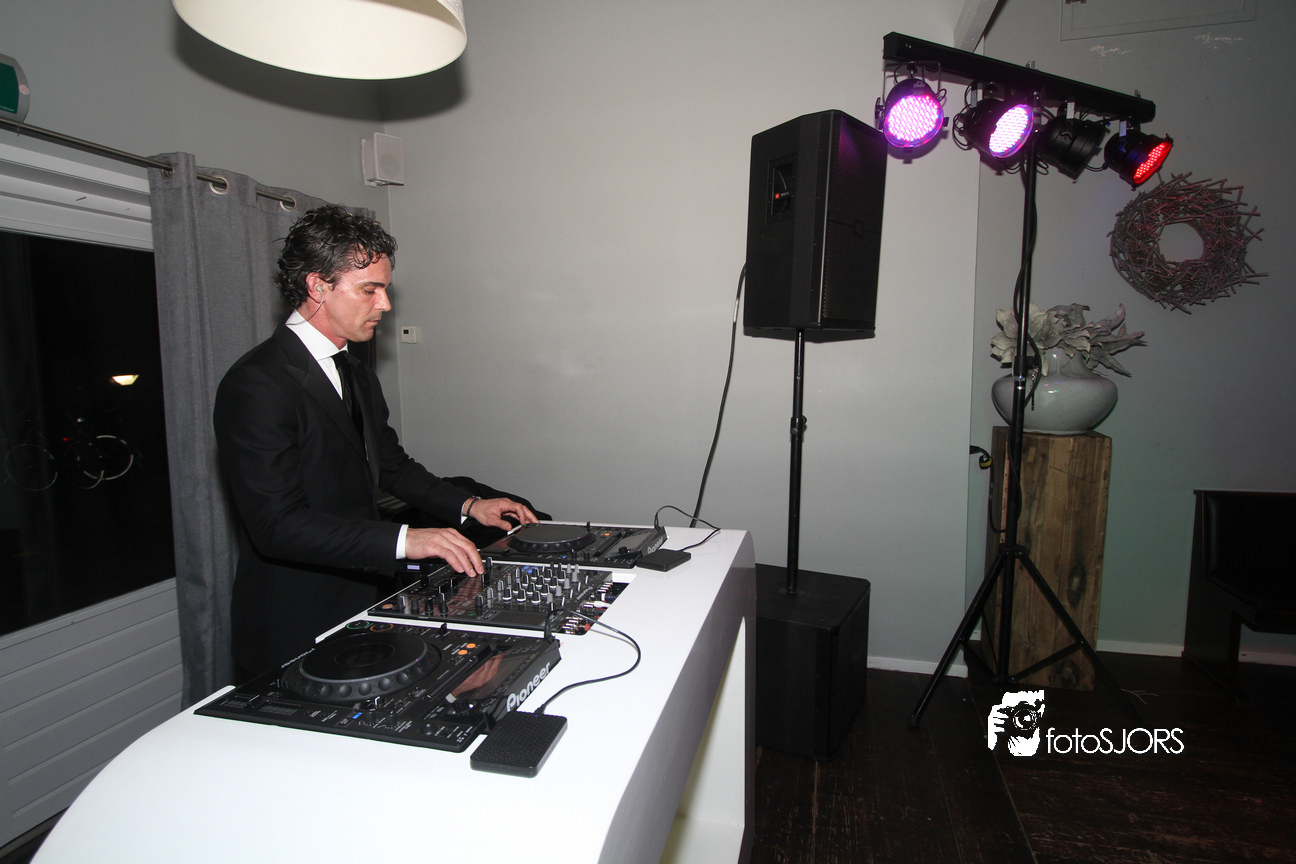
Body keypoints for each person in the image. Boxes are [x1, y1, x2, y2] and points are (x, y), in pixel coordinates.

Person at [214, 204, 538, 676]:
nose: (384, 305)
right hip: (294, 618)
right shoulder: (257, 383)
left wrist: (471, 505)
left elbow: (391, 465)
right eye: (370, 289)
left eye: (384, 289)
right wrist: (407, 539)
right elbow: (277, 526)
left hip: (364, 598)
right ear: (318, 286)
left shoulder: (356, 371)